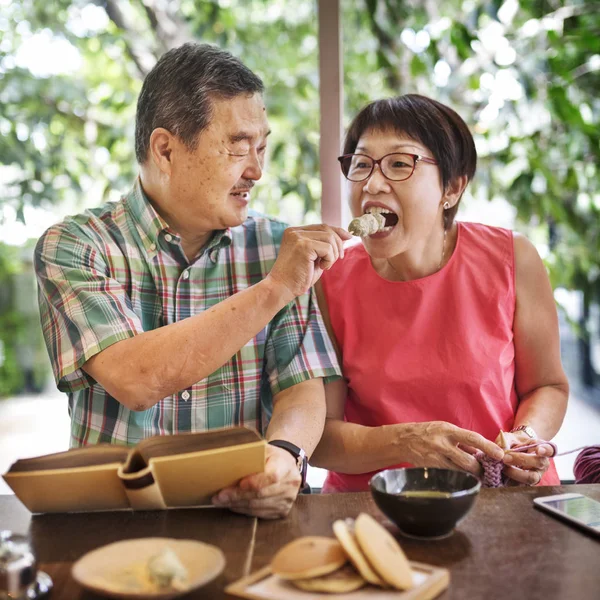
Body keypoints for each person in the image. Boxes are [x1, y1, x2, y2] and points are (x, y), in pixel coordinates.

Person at [34, 43, 351, 518]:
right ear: (165, 149)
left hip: (245, 521)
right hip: (112, 529)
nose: (257, 171)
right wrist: (274, 288)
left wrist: (285, 457)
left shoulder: (275, 246)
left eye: (262, 147)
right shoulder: (76, 247)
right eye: (239, 147)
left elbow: (301, 385)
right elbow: (136, 379)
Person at [310, 94, 569, 492]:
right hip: (372, 506)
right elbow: (320, 439)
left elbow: (546, 386)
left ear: (452, 187)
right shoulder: (329, 280)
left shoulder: (513, 258)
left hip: (502, 498)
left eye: (400, 163)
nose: (372, 183)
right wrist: (406, 442)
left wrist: (526, 435)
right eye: (361, 165)